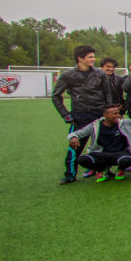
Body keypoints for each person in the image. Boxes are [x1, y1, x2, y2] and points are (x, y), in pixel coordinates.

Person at [52, 45, 113, 185]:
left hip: (99, 114)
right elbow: (55, 96)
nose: (94, 59)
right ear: (80, 58)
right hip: (80, 115)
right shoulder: (67, 75)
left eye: (93, 56)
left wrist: (108, 111)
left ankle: (105, 170)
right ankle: (70, 174)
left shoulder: (100, 73)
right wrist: (65, 115)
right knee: (75, 146)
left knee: (105, 145)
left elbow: (107, 93)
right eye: (90, 57)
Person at [68, 104, 131, 183]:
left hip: (119, 153)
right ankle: (102, 169)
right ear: (105, 115)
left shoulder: (124, 123)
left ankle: (121, 169)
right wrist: (73, 137)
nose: (118, 116)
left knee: (127, 160)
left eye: (118, 113)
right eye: (114, 114)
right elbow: (78, 133)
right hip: (101, 154)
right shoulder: (95, 125)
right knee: (82, 159)